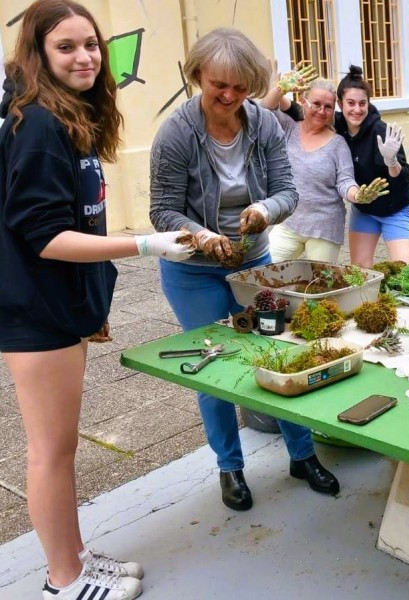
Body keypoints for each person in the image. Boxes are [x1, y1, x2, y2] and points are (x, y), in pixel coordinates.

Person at [0, 2, 194, 599]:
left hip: (60, 306)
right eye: (66, 47)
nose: (85, 57)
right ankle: (63, 579)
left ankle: (76, 556)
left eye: (91, 44)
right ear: (39, 54)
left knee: (61, 448)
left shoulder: (70, 116)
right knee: (50, 452)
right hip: (34, 311)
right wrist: (146, 244)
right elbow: (46, 236)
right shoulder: (37, 125)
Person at [149, 29, 340, 514]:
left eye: (240, 87)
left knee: (278, 353)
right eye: (219, 86)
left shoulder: (264, 125)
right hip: (193, 269)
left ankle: (302, 455)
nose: (230, 97)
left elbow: (287, 192)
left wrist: (263, 211)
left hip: (254, 262)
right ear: (199, 75)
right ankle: (229, 468)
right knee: (213, 365)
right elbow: (162, 211)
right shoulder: (176, 134)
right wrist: (202, 236)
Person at [262, 70, 389, 263]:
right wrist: (280, 89)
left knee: (321, 280)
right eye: (316, 104)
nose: (321, 111)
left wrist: (358, 195)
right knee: (263, 268)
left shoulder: (338, 144)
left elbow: (345, 181)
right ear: (303, 102)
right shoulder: (288, 127)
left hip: (324, 228)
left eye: (328, 107)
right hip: (289, 223)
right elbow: (265, 111)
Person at [335, 65, 409, 267]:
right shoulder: (336, 126)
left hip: (396, 208)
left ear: (369, 103)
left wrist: (392, 161)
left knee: (404, 270)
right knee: (360, 271)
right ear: (340, 103)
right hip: (364, 210)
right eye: (351, 103)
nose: (357, 109)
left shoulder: (382, 132)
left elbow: (403, 176)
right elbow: (299, 113)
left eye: (362, 103)